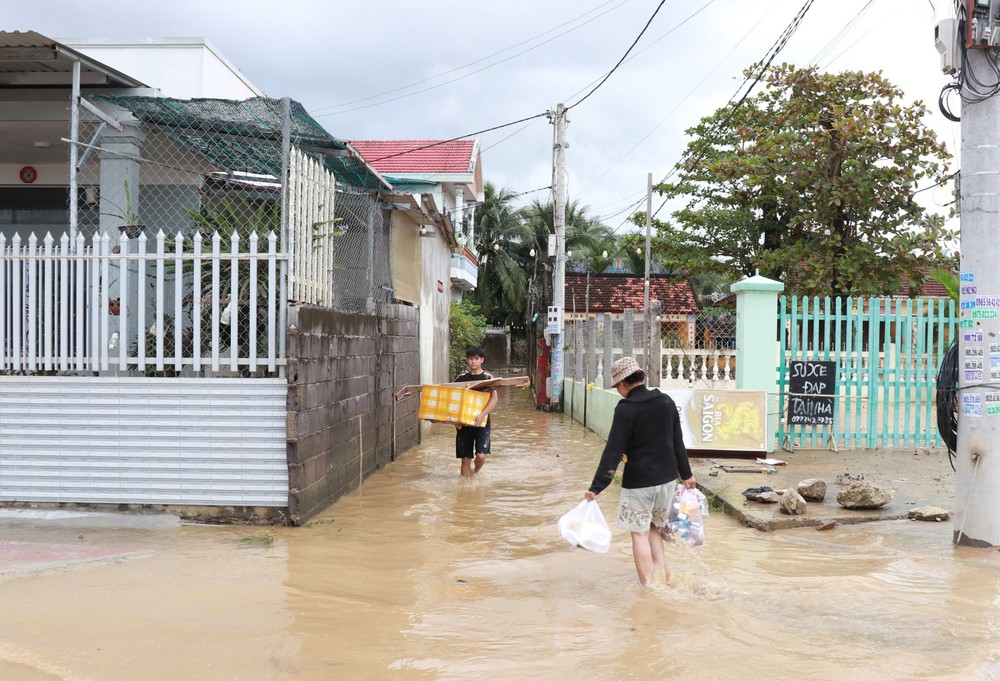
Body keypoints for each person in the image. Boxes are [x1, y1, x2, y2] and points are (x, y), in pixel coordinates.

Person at [584, 355, 697, 586]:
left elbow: (613, 452)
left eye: (617, 386)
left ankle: (648, 587)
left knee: (639, 533)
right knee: (655, 528)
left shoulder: (626, 409)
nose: (618, 391)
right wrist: (687, 475)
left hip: (639, 483)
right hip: (667, 481)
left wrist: (596, 487)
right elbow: (677, 442)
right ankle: (663, 578)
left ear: (623, 383)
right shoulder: (665, 401)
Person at [453, 346, 499, 477]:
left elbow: (494, 398)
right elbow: (452, 398)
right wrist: (454, 420)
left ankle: (475, 471)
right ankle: (466, 487)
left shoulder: (488, 377)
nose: (473, 361)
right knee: (465, 459)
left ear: (482, 360)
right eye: (470, 358)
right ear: (467, 360)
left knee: (481, 455)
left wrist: (482, 415)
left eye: (476, 358)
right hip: (464, 423)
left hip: (482, 422)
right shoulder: (461, 378)